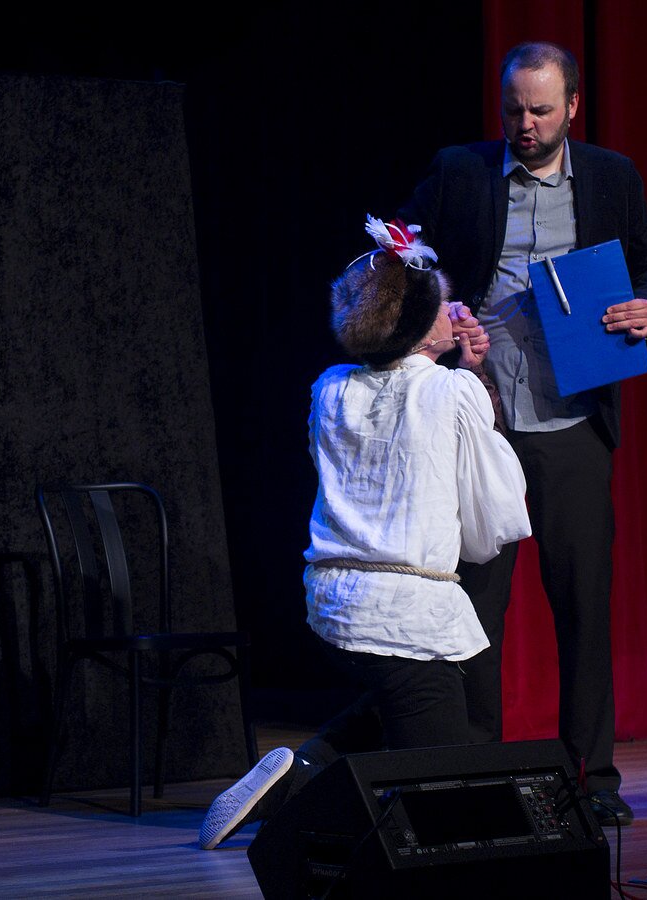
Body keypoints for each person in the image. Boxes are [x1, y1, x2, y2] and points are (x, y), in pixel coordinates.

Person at [395, 41, 647, 827]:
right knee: (475, 608)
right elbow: (402, 253)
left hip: (570, 417)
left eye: (541, 111)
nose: (525, 124)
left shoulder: (611, 177)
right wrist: (438, 305)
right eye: (513, 110)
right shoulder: (459, 171)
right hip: (480, 417)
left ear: (572, 107)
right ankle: (476, 771)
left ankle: (592, 778)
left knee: (582, 603)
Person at [199, 217, 531, 850]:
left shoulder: (329, 389)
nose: (455, 309)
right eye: (444, 301)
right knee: (447, 786)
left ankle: (304, 762)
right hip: (404, 610)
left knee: (393, 702)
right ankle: (301, 793)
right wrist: (473, 373)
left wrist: (457, 365)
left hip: (331, 603)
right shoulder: (450, 389)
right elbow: (493, 512)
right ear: (421, 325)